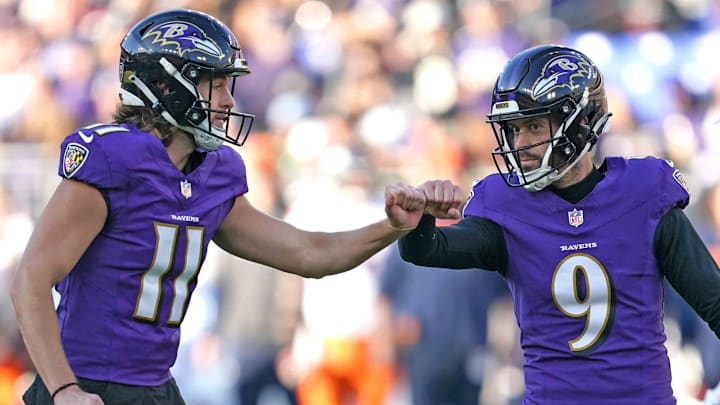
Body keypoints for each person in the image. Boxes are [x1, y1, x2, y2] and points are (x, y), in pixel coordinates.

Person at [9, 9, 463, 405]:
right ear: (166, 87)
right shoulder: (112, 159)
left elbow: (310, 253)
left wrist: (392, 227)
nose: (228, 101)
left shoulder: (214, 172)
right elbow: (31, 278)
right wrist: (63, 389)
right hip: (85, 384)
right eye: (215, 86)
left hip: (156, 387)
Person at [399, 44, 720, 404]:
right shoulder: (505, 208)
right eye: (513, 129)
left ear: (581, 121)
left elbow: (715, 302)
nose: (520, 143)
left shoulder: (644, 195)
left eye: (534, 125)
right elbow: (426, 249)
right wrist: (418, 218)